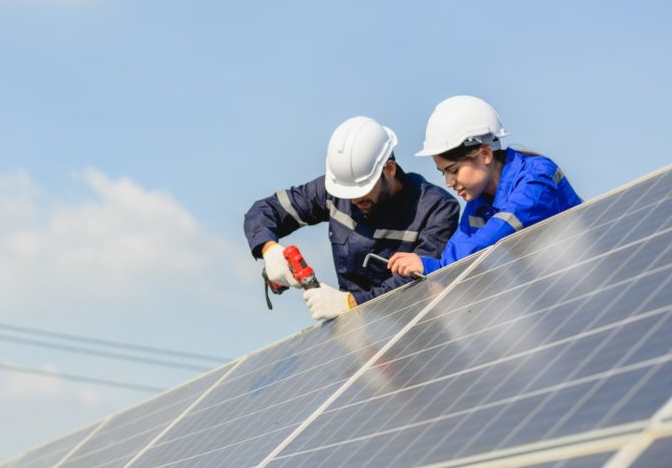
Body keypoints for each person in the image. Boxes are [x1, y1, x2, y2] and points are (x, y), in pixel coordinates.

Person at [244, 116, 460, 321]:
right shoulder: (337, 190)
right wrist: (269, 249)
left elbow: (423, 280)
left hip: (414, 330)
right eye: (348, 192)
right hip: (352, 331)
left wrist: (351, 302)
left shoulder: (437, 208)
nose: (355, 199)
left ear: (390, 169)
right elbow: (266, 210)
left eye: (363, 189)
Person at [388, 95, 581, 277]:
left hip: (583, 275)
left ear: (485, 154)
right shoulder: (480, 201)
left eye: (453, 170)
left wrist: (431, 267)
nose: (448, 182)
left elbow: (494, 234)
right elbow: (458, 250)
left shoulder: (537, 177)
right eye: (443, 173)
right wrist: (434, 268)